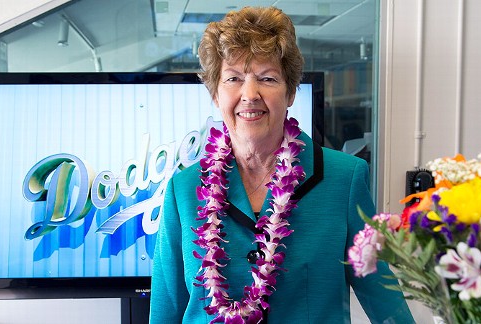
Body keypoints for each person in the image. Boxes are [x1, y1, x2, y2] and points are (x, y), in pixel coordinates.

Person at [150, 6, 414, 323]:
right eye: (233, 78)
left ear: (289, 92)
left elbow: (384, 300)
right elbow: (166, 309)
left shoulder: (344, 179)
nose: (250, 94)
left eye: (267, 78)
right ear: (215, 94)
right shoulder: (184, 190)